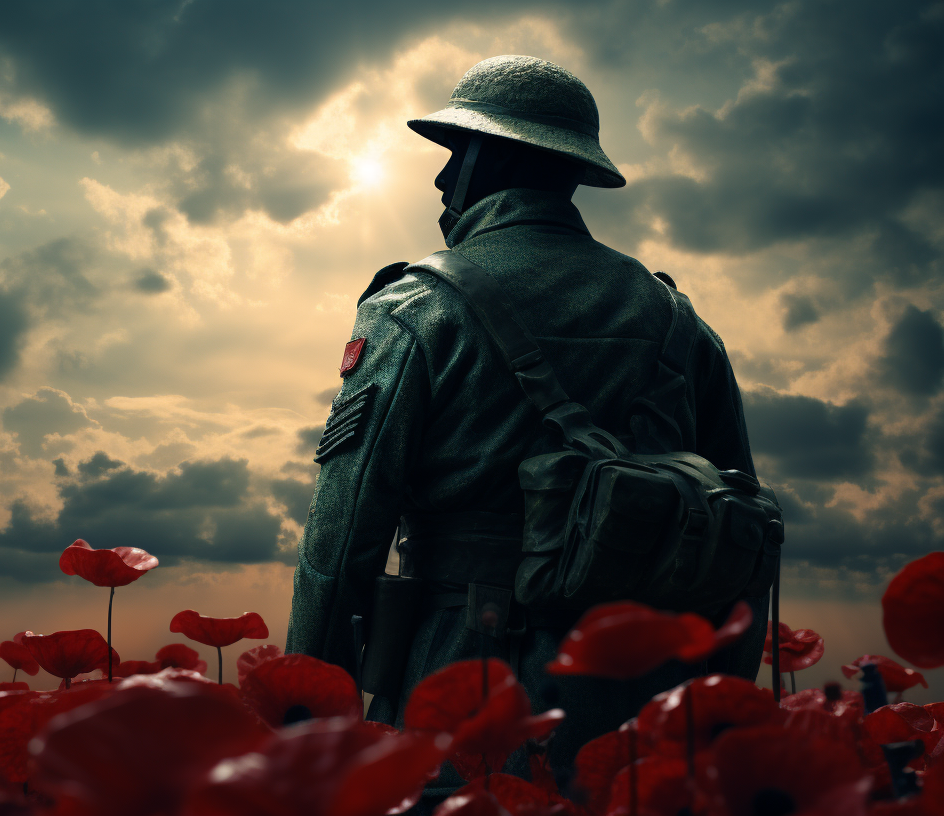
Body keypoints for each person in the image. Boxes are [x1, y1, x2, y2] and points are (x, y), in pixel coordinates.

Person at [284, 55, 769, 808]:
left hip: (464, 683)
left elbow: (343, 538)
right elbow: (742, 530)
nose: (442, 183)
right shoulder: (679, 321)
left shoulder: (414, 306)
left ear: (489, 157)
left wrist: (301, 720)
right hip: (644, 708)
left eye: (454, 156)